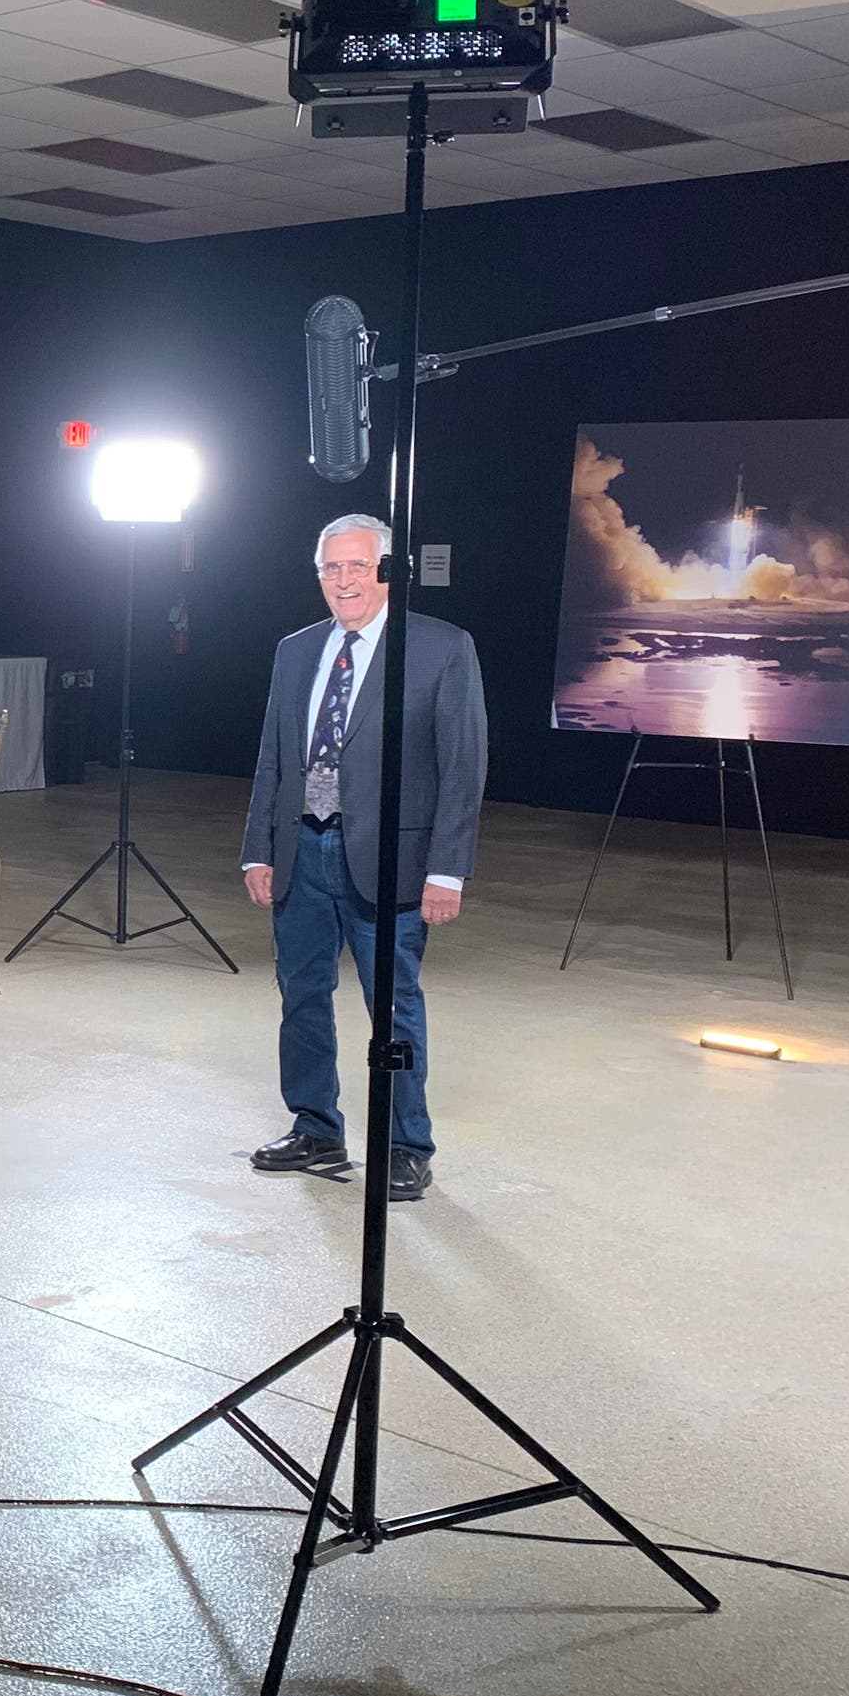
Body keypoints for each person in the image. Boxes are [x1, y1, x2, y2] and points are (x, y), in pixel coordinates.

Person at [240, 513, 487, 1205]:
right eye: (330, 568)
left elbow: (463, 765)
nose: (343, 581)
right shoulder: (296, 650)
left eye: (356, 566)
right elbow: (274, 757)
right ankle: (316, 1128)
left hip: (391, 863)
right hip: (302, 853)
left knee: (396, 1008)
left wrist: (447, 868)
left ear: (385, 570)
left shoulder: (439, 648)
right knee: (302, 998)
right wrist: (258, 847)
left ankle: (408, 1146)